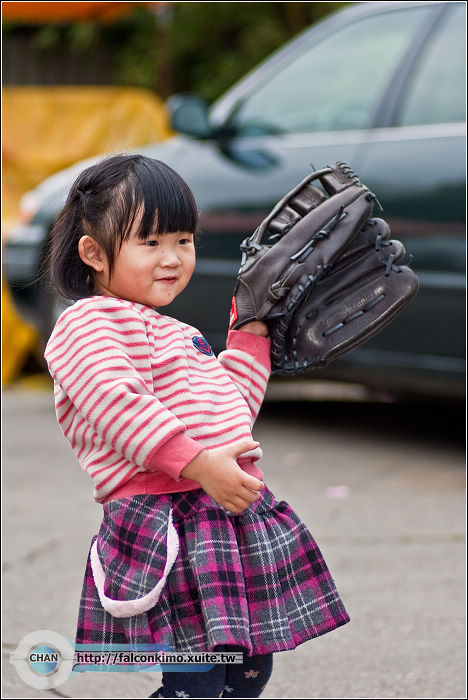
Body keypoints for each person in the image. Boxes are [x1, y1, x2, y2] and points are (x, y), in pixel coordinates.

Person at [44, 154, 350, 698]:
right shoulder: (86, 323)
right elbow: (117, 404)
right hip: (169, 515)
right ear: (93, 253)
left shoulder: (174, 331)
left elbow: (229, 411)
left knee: (248, 669)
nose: (172, 258)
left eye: (183, 240)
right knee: (197, 677)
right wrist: (199, 463)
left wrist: (251, 331)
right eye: (150, 242)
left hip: (222, 509)